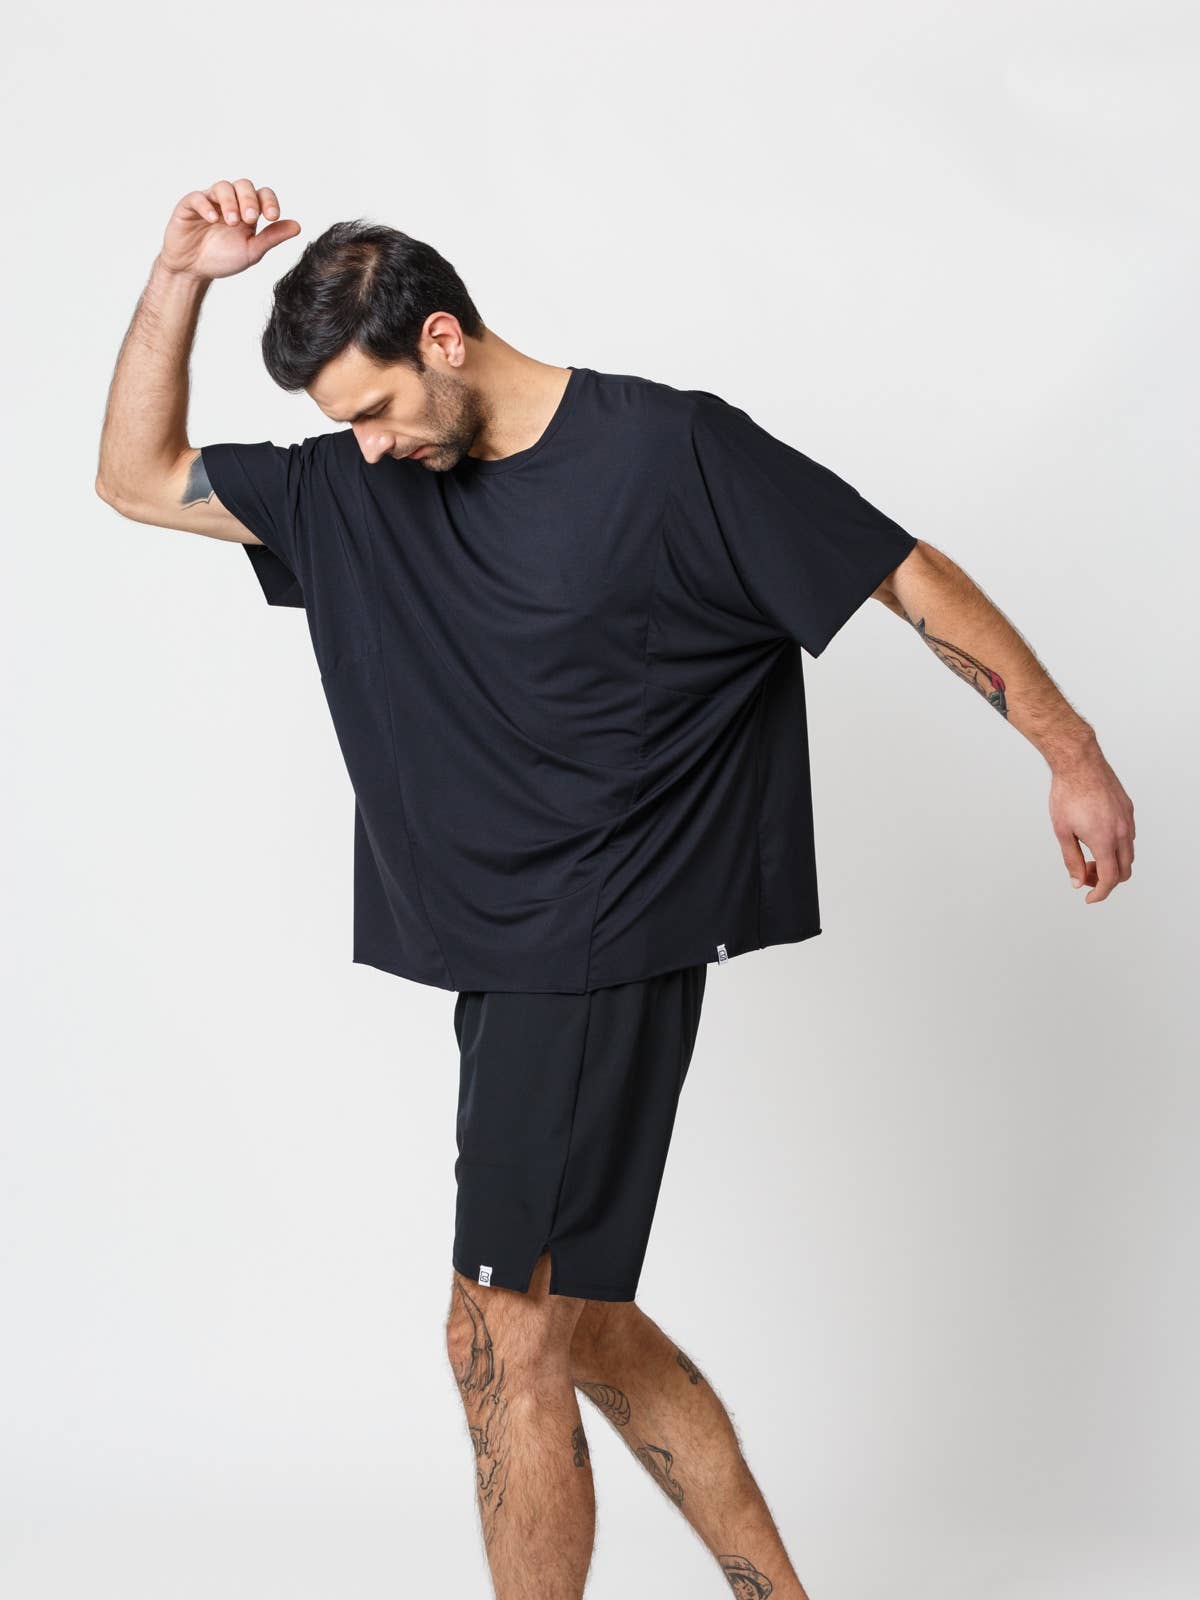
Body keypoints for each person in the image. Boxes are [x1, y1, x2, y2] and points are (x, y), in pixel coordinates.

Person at [95, 177, 1136, 1600]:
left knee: (499, 1337)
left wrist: (1069, 752)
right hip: (499, 956)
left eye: (377, 408)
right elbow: (136, 478)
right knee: (572, 1325)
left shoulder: (670, 452)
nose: (370, 445)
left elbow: (900, 576)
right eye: (347, 424)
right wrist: (177, 278)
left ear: (444, 338)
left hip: (602, 939)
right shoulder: (355, 486)